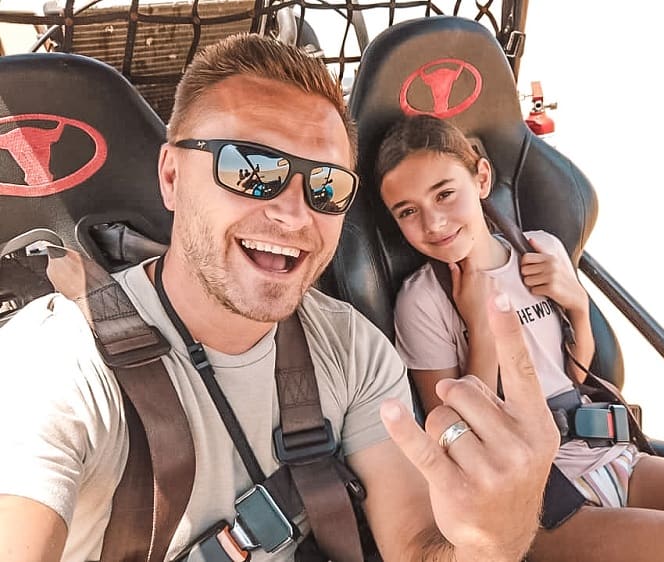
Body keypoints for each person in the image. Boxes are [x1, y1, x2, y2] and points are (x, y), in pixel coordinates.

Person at [0, 34, 560, 561]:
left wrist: (494, 539)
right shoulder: (53, 364)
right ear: (171, 176)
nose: (294, 214)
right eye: (248, 169)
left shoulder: (352, 349)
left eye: (326, 186)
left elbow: (416, 548)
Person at [376, 114, 664, 562]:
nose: (433, 222)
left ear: (481, 177)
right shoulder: (422, 301)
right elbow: (459, 447)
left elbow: (575, 373)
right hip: (539, 498)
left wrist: (575, 305)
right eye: (408, 211)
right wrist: (482, 325)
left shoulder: (541, 251)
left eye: (444, 194)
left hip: (608, 454)